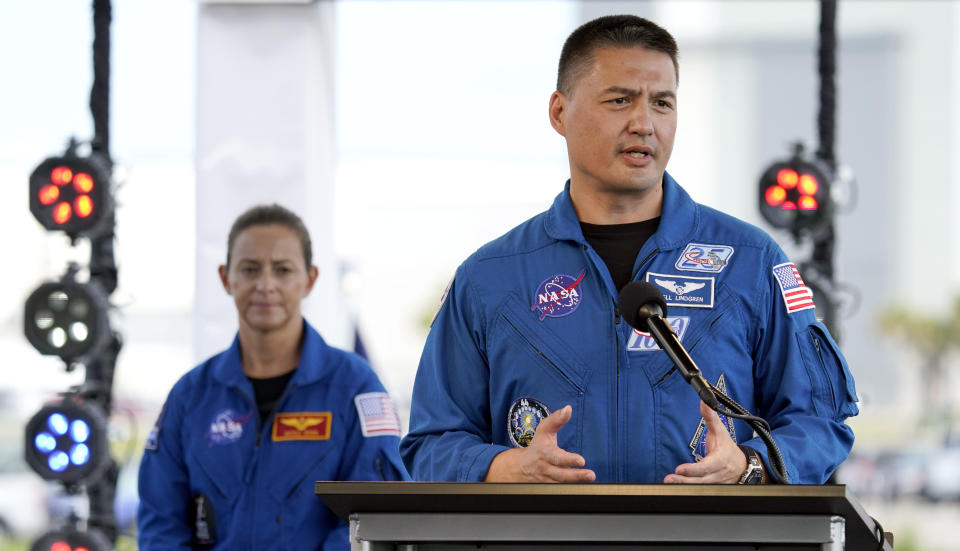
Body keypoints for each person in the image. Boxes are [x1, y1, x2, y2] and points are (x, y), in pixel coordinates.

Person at [400, 15, 858, 485]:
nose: (644, 123)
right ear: (559, 112)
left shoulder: (751, 260)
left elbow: (819, 423)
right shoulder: (488, 277)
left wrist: (748, 465)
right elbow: (430, 444)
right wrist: (503, 468)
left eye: (662, 103)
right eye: (620, 100)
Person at [138, 204, 409, 550]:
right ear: (226, 278)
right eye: (250, 269)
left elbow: (372, 518)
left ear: (310, 279)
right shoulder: (191, 396)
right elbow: (160, 523)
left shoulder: (356, 388)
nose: (265, 285)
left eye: (282, 270)